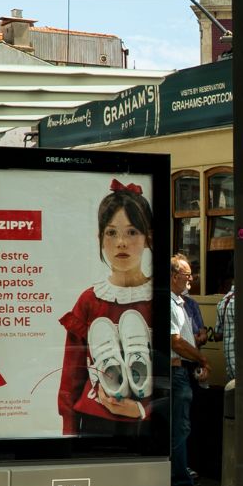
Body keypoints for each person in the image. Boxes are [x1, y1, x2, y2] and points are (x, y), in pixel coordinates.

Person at [57, 180, 157, 438]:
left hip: (145, 427)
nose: (121, 242)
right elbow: (71, 376)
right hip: (95, 423)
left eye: (132, 232)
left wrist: (142, 410)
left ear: (148, 238)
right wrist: (69, 434)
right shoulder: (90, 300)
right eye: (111, 233)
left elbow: (173, 378)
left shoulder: (158, 299)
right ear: (100, 239)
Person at [168, 254, 209, 486]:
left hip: (183, 370)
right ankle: (180, 482)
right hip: (176, 371)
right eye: (186, 275)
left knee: (181, 427)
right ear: (174, 277)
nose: (190, 279)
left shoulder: (180, 302)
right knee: (180, 428)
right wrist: (202, 359)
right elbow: (177, 342)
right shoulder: (171, 304)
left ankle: (181, 477)